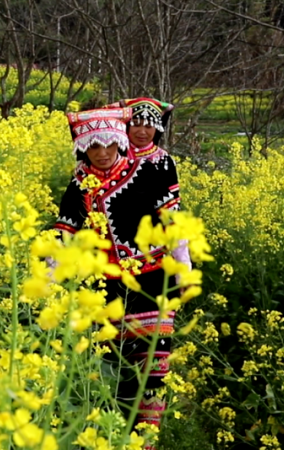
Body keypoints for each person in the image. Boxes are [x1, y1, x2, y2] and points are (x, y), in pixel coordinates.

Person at [54, 106, 189, 448]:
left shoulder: (146, 172)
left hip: (153, 281)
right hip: (106, 286)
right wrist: (49, 275)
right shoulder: (79, 183)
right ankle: (117, 436)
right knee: (116, 369)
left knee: (154, 368)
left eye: (108, 145)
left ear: (119, 143)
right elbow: (66, 228)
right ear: (83, 149)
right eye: (93, 147)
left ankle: (147, 441)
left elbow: (172, 220)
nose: (102, 153)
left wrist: (183, 266)